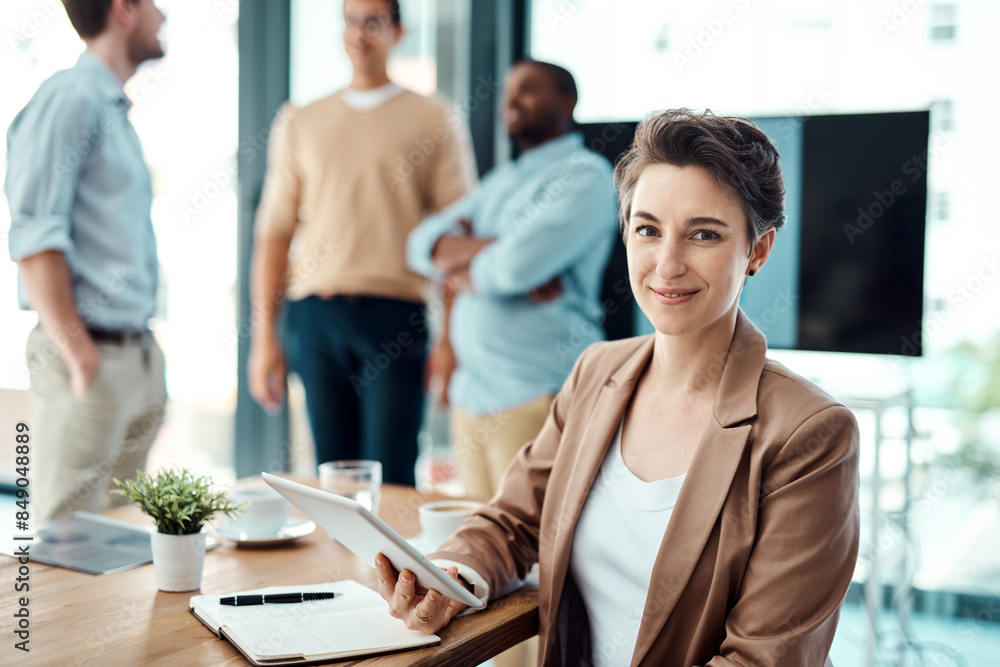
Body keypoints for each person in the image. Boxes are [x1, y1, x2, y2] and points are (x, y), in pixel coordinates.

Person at [375, 109, 861, 666]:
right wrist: (451, 576)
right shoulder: (595, 372)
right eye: (648, 229)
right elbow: (512, 523)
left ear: (757, 250)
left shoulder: (811, 435)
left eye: (703, 234)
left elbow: (765, 659)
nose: (667, 263)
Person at [247, 0, 476, 485]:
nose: (359, 33)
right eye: (351, 20)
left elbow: (459, 235)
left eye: (373, 22)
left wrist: (451, 339)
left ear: (399, 31)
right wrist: (265, 338)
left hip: (396, 317)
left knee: (390, 475)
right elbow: (274, 232)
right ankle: (337, 564)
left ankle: (388, 566)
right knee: (331, 478)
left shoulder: (435, 118)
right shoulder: (300, 120)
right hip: (315, 316)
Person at [407, 60, 618, 500]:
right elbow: (420, 245)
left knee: (536, 555)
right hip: (473, 395)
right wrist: (497, 251)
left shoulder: (586, 176)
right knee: (479, 552)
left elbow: (511, 269)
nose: (511, 99)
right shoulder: (501, 181)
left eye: (528, 89)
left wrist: (465, 263)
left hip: (536, 394)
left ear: (567, 102)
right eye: (508, 90)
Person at [5, 0, 168, 524]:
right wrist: (79, 356)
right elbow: (34, 237)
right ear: (124, 9)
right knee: (59, 540)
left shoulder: (111, 111)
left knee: (121, 542)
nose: (163, 15)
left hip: (133, 356)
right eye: (153, 4)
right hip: (90, 359)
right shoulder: (70, 98)